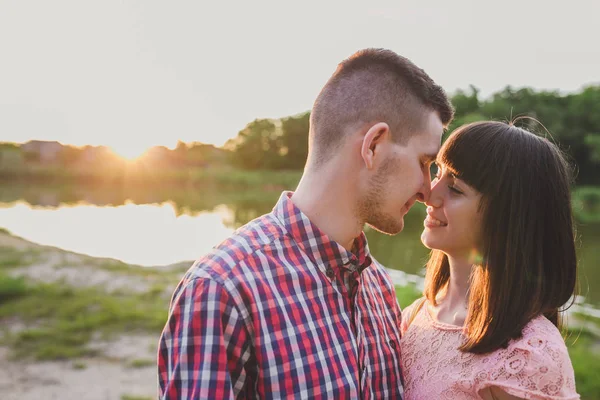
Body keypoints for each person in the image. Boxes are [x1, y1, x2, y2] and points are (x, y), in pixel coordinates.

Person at [157, 48, 454, 399]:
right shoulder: (222, 290)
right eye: (423, 162)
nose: (426, 189)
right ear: (374, 145)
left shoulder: (378, 286)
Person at [400, 121, 579, 399]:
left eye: (456, 188)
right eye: (437, 172)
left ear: (508, 218)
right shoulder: (416, 313)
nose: (430, 194)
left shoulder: (528, 358)